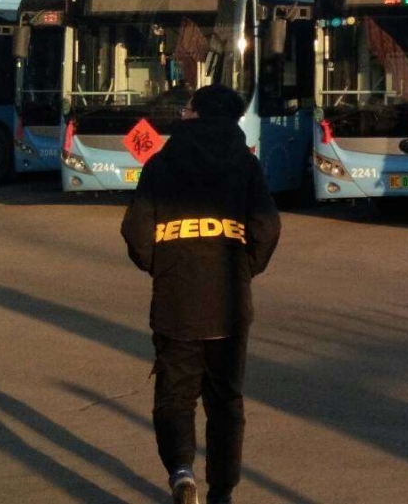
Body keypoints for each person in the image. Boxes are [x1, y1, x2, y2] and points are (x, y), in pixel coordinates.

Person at [121, 84, 281, 504]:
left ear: (197, 115)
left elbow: (136, 232)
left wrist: (164, 267)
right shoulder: (246, 164)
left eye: (188, 108)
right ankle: (222, 492)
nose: (184, 114)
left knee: (175, 398)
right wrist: (242, 269)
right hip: (229, 306)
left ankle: (181, 473)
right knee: (225, 403)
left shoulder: (161, 163)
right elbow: (267, 228)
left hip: (176, 303)